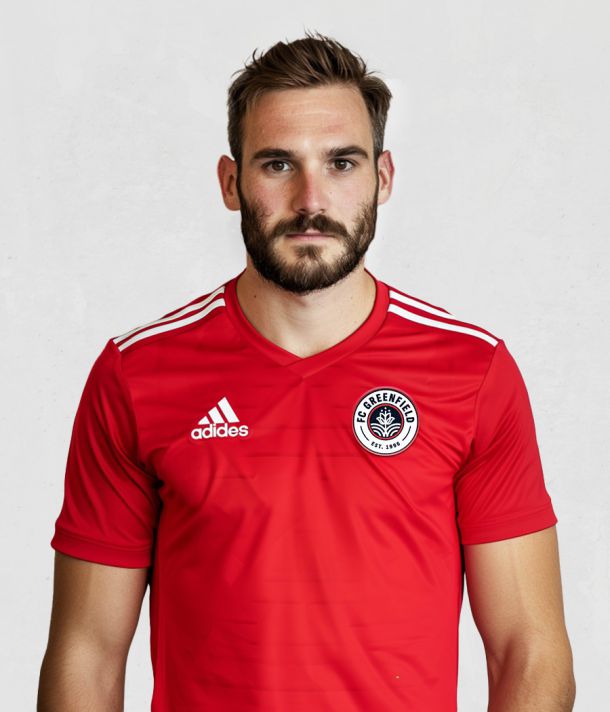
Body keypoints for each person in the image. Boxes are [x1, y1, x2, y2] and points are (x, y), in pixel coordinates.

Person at [38, 31, 575, 712]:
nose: (311, 198)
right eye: (277, 164)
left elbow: (529, 648)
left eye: (341, 162)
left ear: (383, 178)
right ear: (231, 183)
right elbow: (87, 653)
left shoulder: (472, 371)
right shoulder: (137, 374)